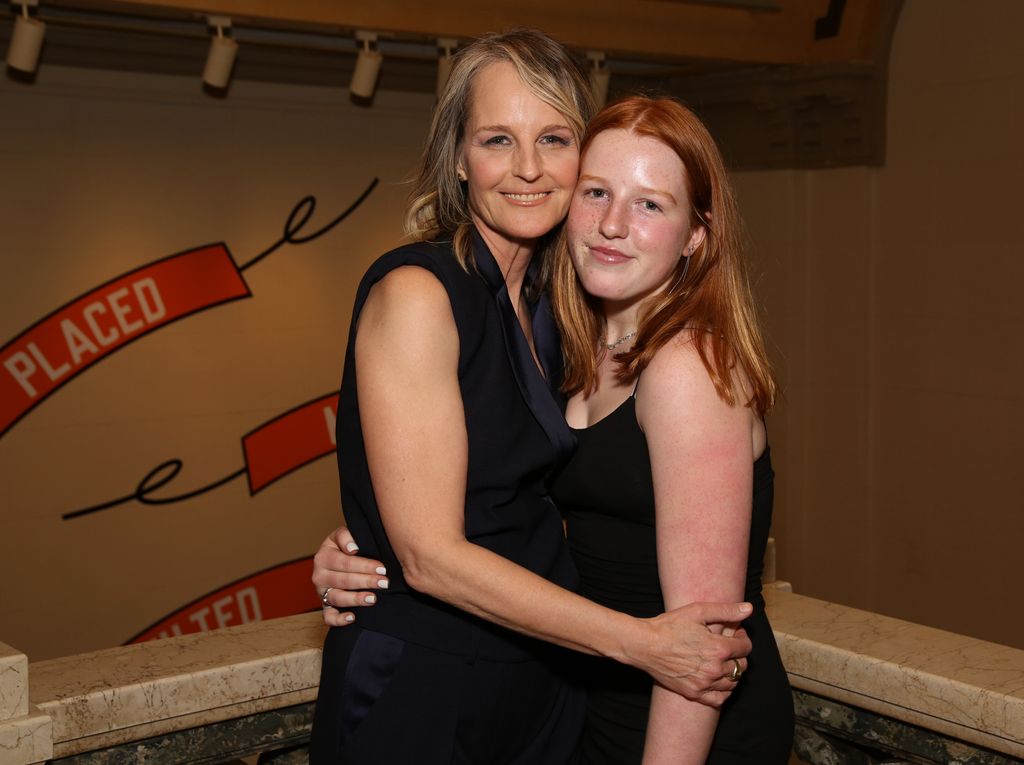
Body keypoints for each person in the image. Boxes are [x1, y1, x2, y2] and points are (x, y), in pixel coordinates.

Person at [309, 30, 754, 764]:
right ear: (458, 156)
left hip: (544, 690)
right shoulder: (420, 293)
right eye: (495, 139)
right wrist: (640, 642)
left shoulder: (566, 307)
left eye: (553, 138)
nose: (526, 168)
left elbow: (552, 500)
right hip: (425, 690)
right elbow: (430, 556)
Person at [549, 95, 794, 763]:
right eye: (595, 191)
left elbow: (703, 647)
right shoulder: (572, 353)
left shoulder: (688, 366)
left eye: (649, 203)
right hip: (601, 699)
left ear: (696, 235)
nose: (611, 224)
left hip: (685, 730)